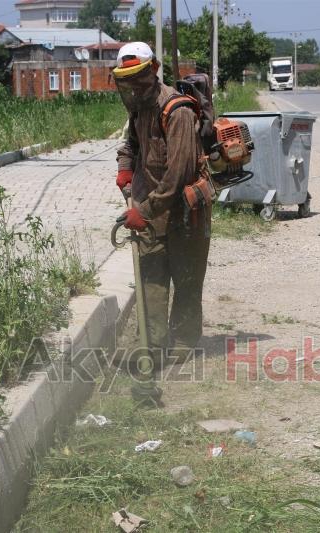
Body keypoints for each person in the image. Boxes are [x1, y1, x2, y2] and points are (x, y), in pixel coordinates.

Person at [113, 42, 210, 373]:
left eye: (138, 77)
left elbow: (178, 174)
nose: (133, 86)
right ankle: (151, 347)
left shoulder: (177, 111)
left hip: (185, 212)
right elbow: (130, 144)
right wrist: (125, 167)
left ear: (153, 69)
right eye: (126, 80)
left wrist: (146, 210)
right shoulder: (138, 107)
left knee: (186, 278)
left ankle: (183, 342)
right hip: (151, 208)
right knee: (151, 277)